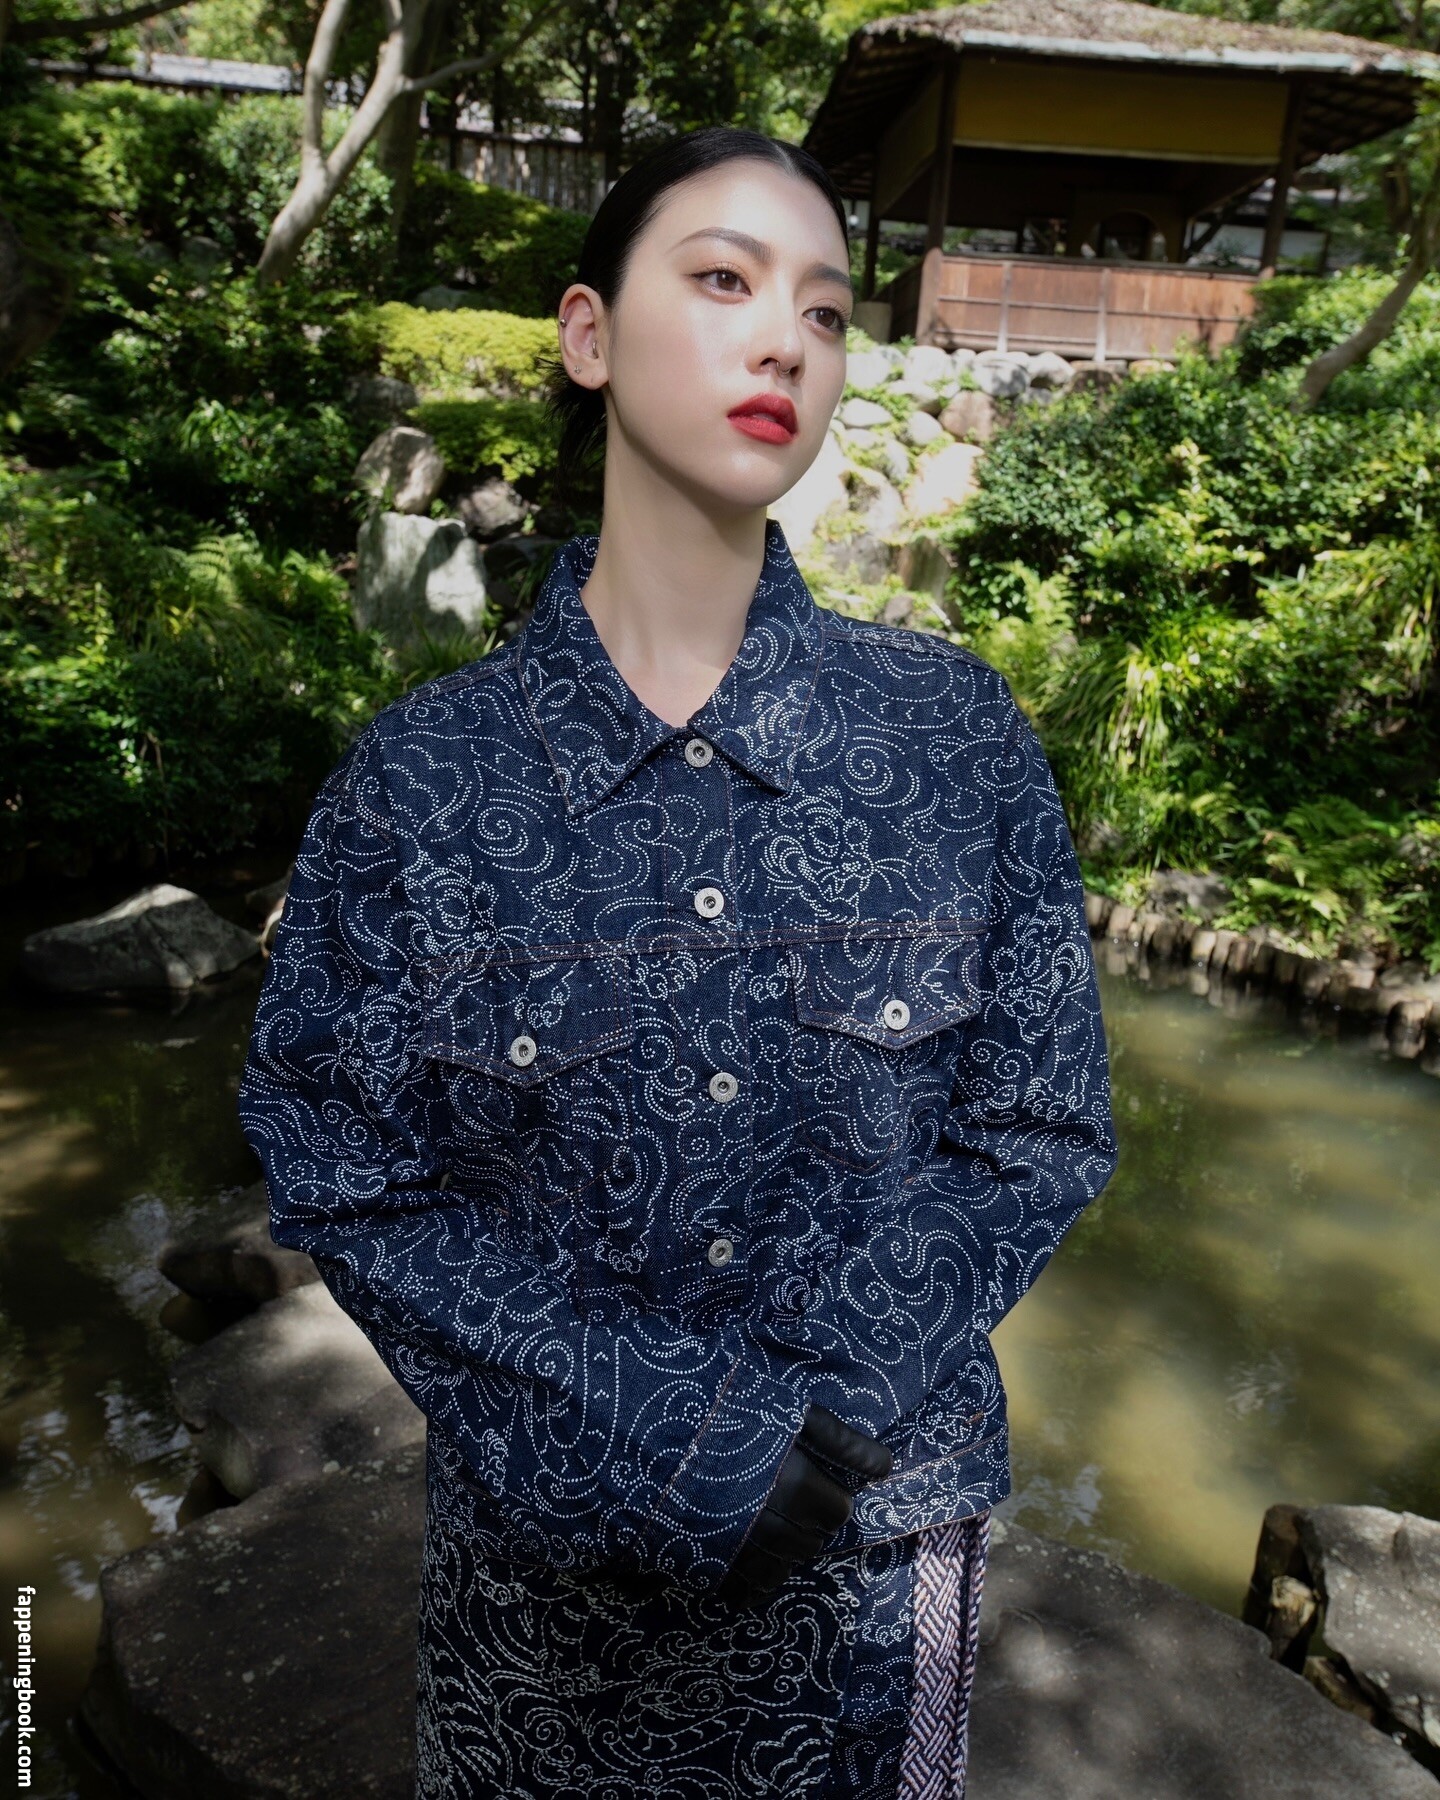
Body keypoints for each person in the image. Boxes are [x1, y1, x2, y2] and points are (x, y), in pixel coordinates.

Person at [236, 123, 1119, 1800]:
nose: (785, 338)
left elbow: (1041, 1124)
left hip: (876, 1575)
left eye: (827, 310)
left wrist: (816, 1410)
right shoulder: (421, 783)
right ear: (589, 333)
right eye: (723, 280)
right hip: (538, 1621)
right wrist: (659, 1417)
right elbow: (333, 1155)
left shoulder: (955, 740)